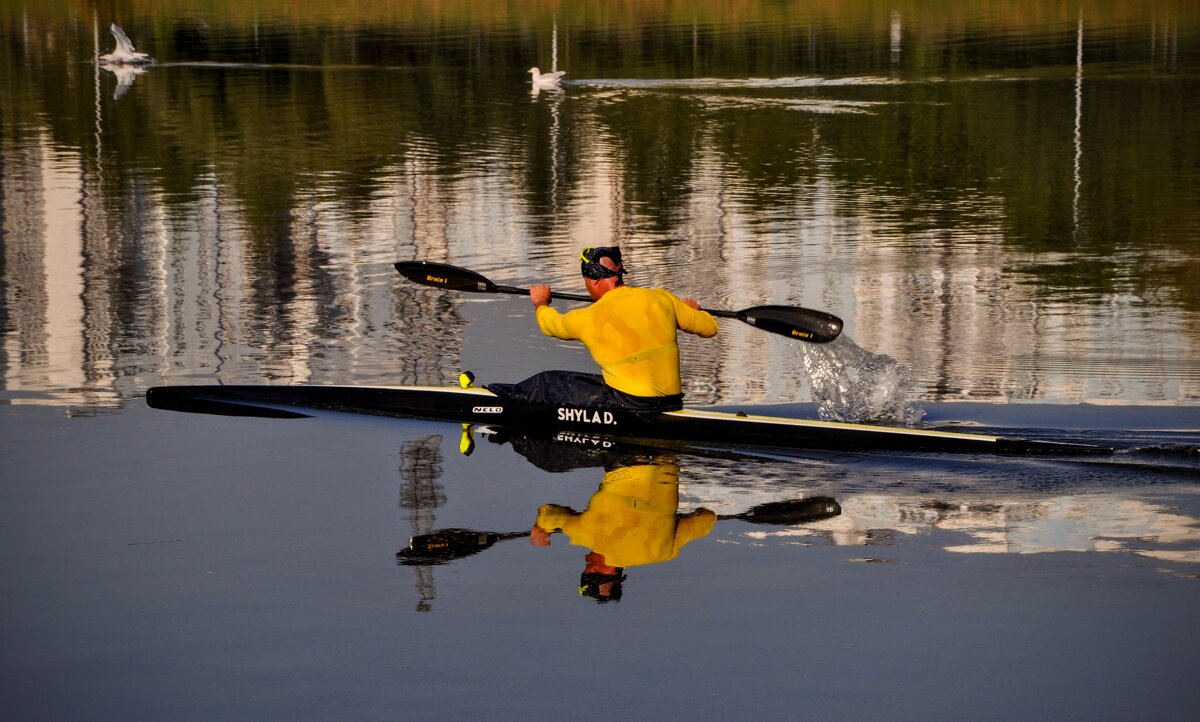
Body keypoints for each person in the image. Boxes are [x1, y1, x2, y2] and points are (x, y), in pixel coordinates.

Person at [488, 246, 718, 411]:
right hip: (672, 401)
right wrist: (690, 311)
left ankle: (498, 403)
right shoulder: (661, 298)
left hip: (629, 405)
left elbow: (550, 325)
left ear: (594, 281)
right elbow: (710, 328)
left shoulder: (589, 317)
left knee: (546, 382)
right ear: (619, 274)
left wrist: (541, 302)